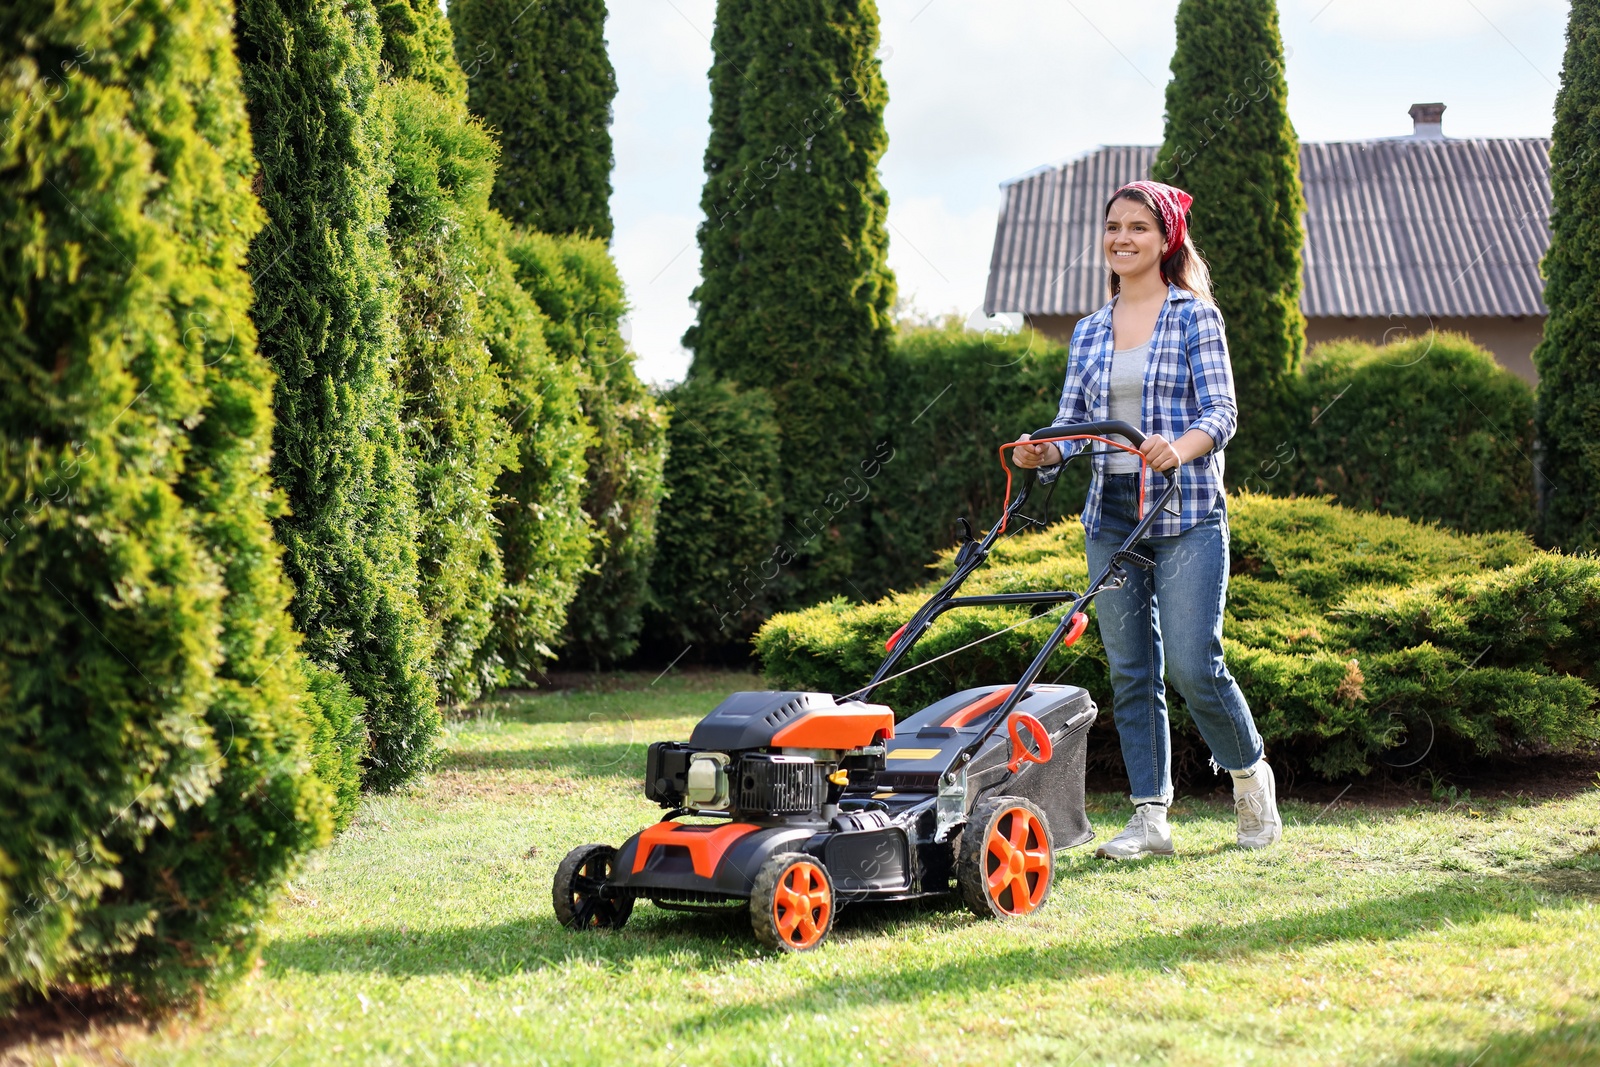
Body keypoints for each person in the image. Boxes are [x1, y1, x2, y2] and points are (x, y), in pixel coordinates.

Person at [1011, 180, 1282, 859]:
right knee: (1132, 670)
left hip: (1186, 511)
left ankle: (1249, 777)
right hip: (1111, 520)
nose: (1122, 238)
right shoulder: (1090, 329)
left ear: (1166, 240)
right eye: (1113, 227)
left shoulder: (1195, 316)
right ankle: (1149, 816)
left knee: (1194, 662)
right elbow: (1076, 424)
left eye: (1138, 227)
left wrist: (1177, 448)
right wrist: (1046, 448)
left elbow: (1221, 413)